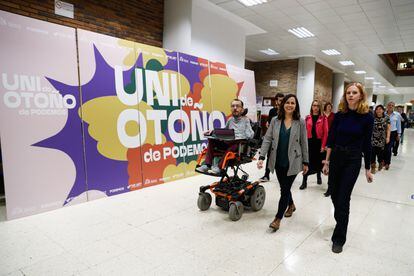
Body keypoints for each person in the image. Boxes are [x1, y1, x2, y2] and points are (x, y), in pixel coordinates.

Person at [322, 82, 374, 254]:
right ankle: (341, 220)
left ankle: (339, 238)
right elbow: (331, 138)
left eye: (354, 92)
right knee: (334, 194)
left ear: (361, 96)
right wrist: (327, 161)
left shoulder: (367, 116)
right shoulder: (339, 115)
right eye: (348, 93)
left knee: (343, 198)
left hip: (352, 159)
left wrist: (368, 167)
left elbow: (367, 143)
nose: (350, 95)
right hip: (336, 157)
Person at [257, 94, 309, 231]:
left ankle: (277, 219)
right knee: (284, 188)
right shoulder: (275, 120)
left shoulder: (300, 122)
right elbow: (267, 139)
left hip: (294, 161)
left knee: (285, 190)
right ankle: (291, 205)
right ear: (283, 104)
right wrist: (262, 156)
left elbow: (304, 142)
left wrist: (306, 161)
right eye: (287, 102)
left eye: (293, 103)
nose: (290, 105)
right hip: (278, 160)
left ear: (296, 106)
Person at [196, 99, 254, 174]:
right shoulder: (230, 120)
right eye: (233, 106)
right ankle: (207, 165)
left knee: (234, 144)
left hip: (238, 144)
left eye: (237, 106)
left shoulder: (246, 120)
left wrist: (245, 134)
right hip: (227, 142)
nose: (235, 108)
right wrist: (213, 131)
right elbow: (225, 131)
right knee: (211, 140)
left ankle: (219, 168)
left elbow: (251, 135)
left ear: (242, 109)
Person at [300, 100, 328, 190]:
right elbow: (303, 132)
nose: (315, 107)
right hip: (309, 143)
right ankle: (304, 181)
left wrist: (323, 146)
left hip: (319, 143)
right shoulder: (307, 118)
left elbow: (326, 133)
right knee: (307, 162)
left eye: (317, 106)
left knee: (319, 161)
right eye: (314, 105)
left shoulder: (323, 118)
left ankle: (319, 176)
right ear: (311, 107)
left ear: (319, 107)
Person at [260, 92, 285, 182]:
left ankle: (283, 176)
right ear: (276, 101)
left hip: (282, 138)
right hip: (272, 137)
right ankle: (266, 175)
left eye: (283, 100)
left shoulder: (286, 112)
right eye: (280, 100)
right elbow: (269, 123)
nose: (282, 102)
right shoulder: (272, 111)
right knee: (270, 156)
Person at [371, 105, 390, 173]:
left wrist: (388, 137)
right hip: (373, 138)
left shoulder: (386, 118)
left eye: (380, 109)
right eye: (377, 109)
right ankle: (373, 166)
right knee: (372, 153)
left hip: (382, 139)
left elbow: (388, 129)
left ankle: (380, 163)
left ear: (383, 110)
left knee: (380, 153)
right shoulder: (372, 117)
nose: (378, 110)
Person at [384, 101, 401, 169]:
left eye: (392, 105)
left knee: (388, 148)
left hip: (393, 133)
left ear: (394, 107)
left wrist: (399, 134)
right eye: (389, 105)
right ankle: (383, 161)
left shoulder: (397, 115)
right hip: (384, 133)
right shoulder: (383, 113)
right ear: (387, 106)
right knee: (383, 148)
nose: (390, 106)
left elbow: (398, 125)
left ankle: (387, 163)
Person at [323, 102, 335, 197]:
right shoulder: (322, 115)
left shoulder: (334, 116)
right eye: (328, 106)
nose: (329, 108)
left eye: (330, 107)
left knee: (331, 165)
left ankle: (330, 188)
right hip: (323, 140)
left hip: (332, 141)